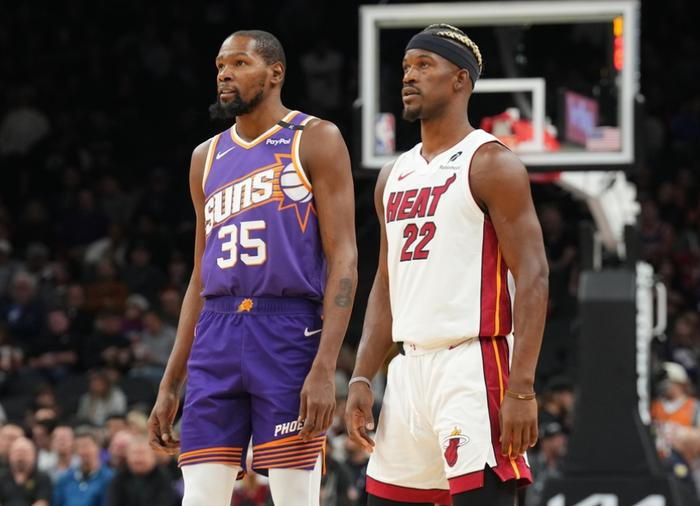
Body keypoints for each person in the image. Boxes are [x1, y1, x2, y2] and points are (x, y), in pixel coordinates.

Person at [147, 30, 357, 506]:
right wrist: (170, 381)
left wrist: (326, 367)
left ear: (275, 73)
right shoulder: (205, 157)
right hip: (216, 331)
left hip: (287, 329)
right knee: (199, 497)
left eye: (240, 63)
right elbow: (199, 276)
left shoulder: (315, 138)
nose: (225, 74)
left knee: (294, 497)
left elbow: (344, 256)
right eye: (221, 66)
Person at [344, 24, 549, 505]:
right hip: (408, 369)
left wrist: (522, 387)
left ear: (460, 80)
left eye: (424, 65)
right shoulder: (392, 175)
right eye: (405, 67)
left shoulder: (491, 163)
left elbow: (534, 275)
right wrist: (362, 375)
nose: (408, 76)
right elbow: (386, 284)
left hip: (472, 365)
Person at [52, 427, 114, 506]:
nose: (83, 451)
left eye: (86, 446)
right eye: (78, 447)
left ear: (98, 447)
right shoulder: (64, 479)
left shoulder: (109, 478)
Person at [0, 437, 52, 506]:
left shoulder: (42, 478)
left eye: (25, 452)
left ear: (34, 456)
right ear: (10, 455)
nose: (20, 456)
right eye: (17, 452)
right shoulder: (2, 477)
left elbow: (42, 503)